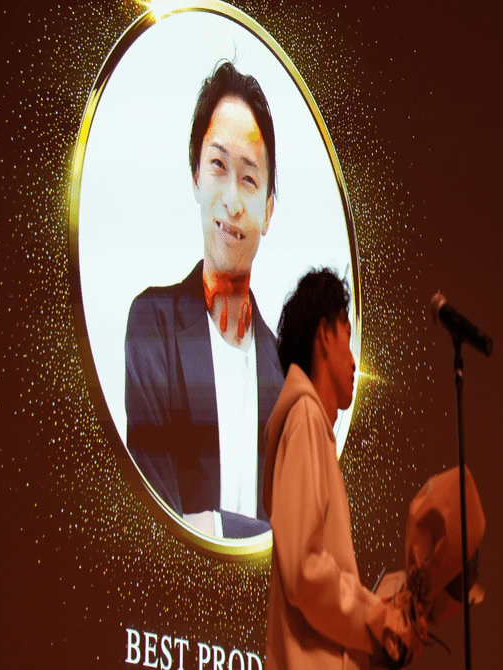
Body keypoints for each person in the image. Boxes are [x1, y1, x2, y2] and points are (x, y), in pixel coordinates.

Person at [125, 61, 283, 538]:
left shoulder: (287, 371)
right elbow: (163, 526)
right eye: (218, 165)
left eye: (250, 179)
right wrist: (251, 534)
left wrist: (213, 525)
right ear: (195, 176)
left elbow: (297, 544)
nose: (232, 201)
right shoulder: (153, 326)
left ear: (268, 211)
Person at [263, 269, 422, 670]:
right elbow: (304, 569)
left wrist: (380, 614)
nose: (354, 362)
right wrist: (377, 617)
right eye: (347, 337)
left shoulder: (310, 426)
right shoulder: (304, 418)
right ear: (324, 333)